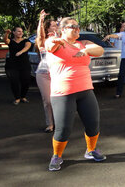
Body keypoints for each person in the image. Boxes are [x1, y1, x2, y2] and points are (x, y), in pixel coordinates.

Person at [45, 17, 106, 171]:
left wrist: (85, 50)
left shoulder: (83, 44)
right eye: (73, 26)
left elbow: (100, 50)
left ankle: (91, 151)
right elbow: (49, 45)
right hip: (63, 93)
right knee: (63, 129)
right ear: (63, 29)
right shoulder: (56, 41)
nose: (78, 29)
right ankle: (57, 156)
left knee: (93, 123)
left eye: (79, 26)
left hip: (85, 90)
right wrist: (55, 42)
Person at [35, 10, 58, 133]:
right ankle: (50, 123)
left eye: (56, 25)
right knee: (48, 101)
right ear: (47, 28)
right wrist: (41, 20)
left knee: (59, 99)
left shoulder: (60, 39)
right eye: (53, 25)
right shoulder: (43, 41)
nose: (56, 27)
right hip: (43, 73)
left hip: (58, 74)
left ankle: (60, 121)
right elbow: (40, 36)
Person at [3, 27, 32, 105]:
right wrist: (7, 33)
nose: (21, 33)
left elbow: (27, 47)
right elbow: (5, 40)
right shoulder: (11, 41)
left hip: (24, 64)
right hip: (12, 64)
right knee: (14, 81)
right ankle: (17, 98)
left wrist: (21, 52)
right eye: (18, 31)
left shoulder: (26, 41)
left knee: (26, 80)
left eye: (22, 31)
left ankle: (23, 96)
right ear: (14, 32)